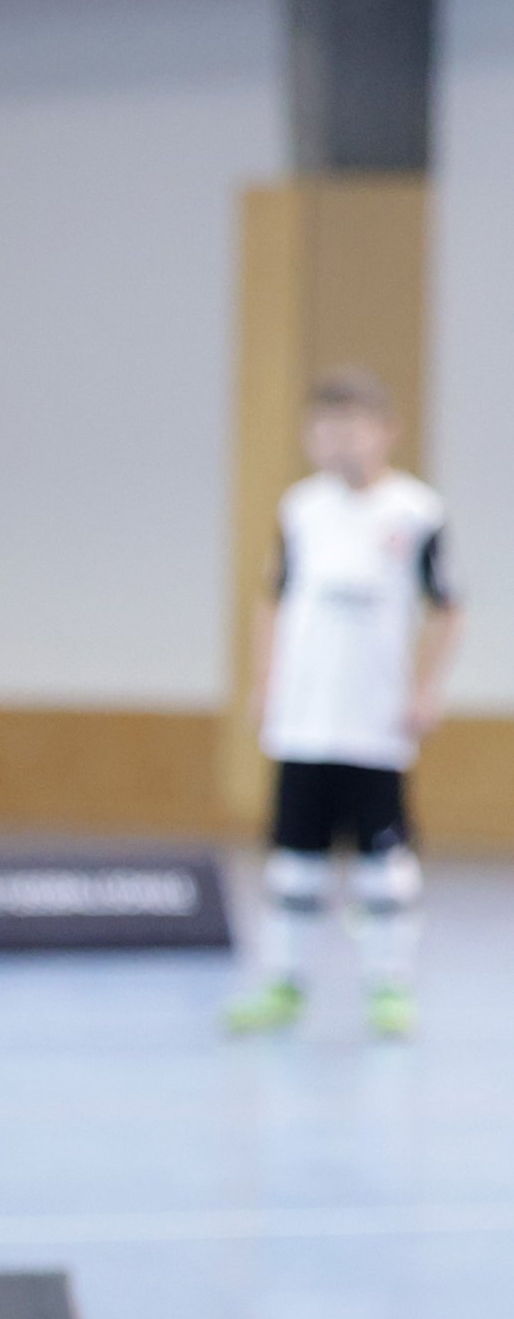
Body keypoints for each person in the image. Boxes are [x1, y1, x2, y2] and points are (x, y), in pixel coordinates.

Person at [226, 368, 460, 1041]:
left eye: (353, 427)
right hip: (306, 718)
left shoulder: (415, 512)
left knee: (384, 866)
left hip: (374, 719)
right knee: (293, 859)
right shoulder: (301, 509)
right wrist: (266, 680)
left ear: (387, 431)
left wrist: (424, 688)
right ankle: (283, 982)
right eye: (326, 429)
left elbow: (448, 607)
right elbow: (273, 598)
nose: (339, 442)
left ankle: (390, 986)